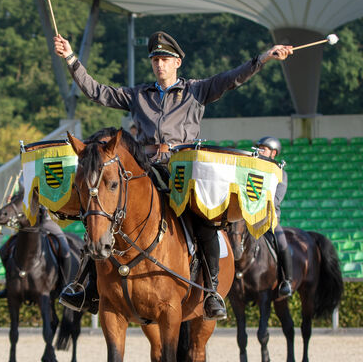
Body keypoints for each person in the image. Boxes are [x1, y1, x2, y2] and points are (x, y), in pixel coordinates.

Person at [54, 30, 293, 319]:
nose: (160, 64)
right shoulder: (138, 94)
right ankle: (89, 287)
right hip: (144, 169)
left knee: (204, 221)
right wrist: (70, 57)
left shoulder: (197, 90)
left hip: (183, 170)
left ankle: (211, 292)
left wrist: (265, 57)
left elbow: (233, 78)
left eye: (165, 59)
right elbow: (97, 91)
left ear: (178, 62)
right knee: (101, 213)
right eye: (155, 59)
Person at [0, 204, 72, 299]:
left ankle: (64, 286)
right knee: (3, 250)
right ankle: (8, 286)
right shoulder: (23, 189)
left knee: (65, 250)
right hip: (27, 224)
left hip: (47, 221)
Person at [256, 136, 292, 297]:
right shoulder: (253, 169)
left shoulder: (280, 173)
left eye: (263, 148)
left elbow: (276, 198)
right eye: (259, 148)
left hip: (269, 218)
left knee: (282, 243)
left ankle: (287, 280)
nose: (259, 150)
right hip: (248, 217)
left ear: (273, 153)